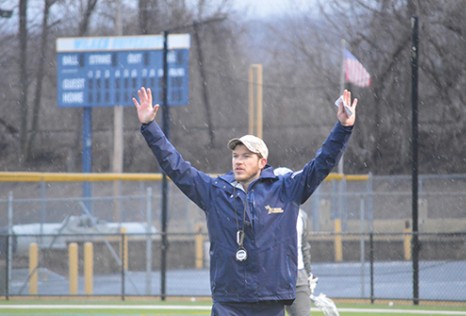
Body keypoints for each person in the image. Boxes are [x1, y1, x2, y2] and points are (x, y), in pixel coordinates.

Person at [132, 87, 357, 316]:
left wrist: (344, 128)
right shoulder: (215, 191)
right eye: (235, 156)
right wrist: (150, 127)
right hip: (228, 301)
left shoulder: (286, 189)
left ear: (262, 162)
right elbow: (176, 167)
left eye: (246, 156)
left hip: (271, 300)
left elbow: (321, 164)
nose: (238, 161)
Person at [274, 167, 316, 316]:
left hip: (298, 275)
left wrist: (309, 274)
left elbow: (304, 247)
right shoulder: (264, 212)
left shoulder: (302, 215)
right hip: (271, 276)